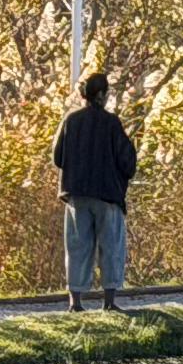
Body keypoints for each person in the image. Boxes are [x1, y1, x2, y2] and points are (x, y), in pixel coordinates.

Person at [54, 70, 137, 308]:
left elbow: (58, 157)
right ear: (101, 95)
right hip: (107, 194)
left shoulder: (71, 120)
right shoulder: (111, 123)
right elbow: (127, 161)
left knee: (78, 247)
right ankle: (109, 301)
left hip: (77, 193)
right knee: (110, 247)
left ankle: (75, 302)